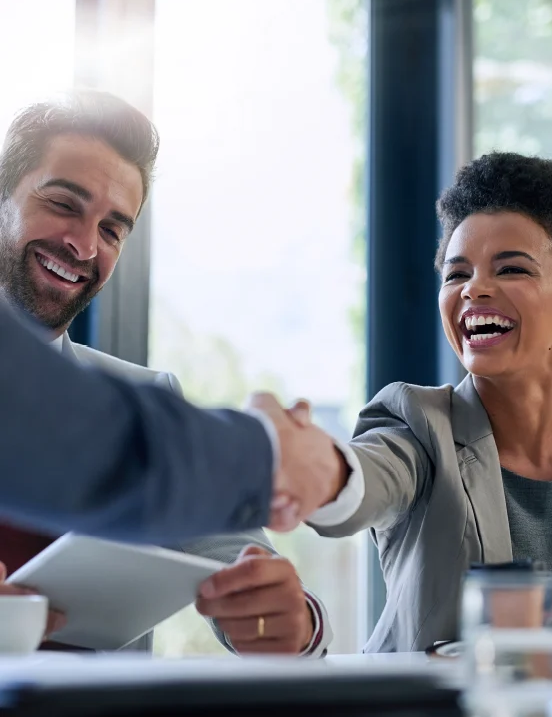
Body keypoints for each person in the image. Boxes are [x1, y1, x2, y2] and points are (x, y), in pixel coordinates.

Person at [0, 91, 349, 654]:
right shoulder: (131, 427)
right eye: (64, 204)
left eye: (112, 230)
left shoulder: (148, 398)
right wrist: (270, 454)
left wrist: (292, 623)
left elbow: (244, 565)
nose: (83, 245)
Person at [308, 152, 552, 652]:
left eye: (511, 269)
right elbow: (363, 478)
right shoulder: (418, 427)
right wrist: (312, 468)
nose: (474, 288)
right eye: (456, 274)